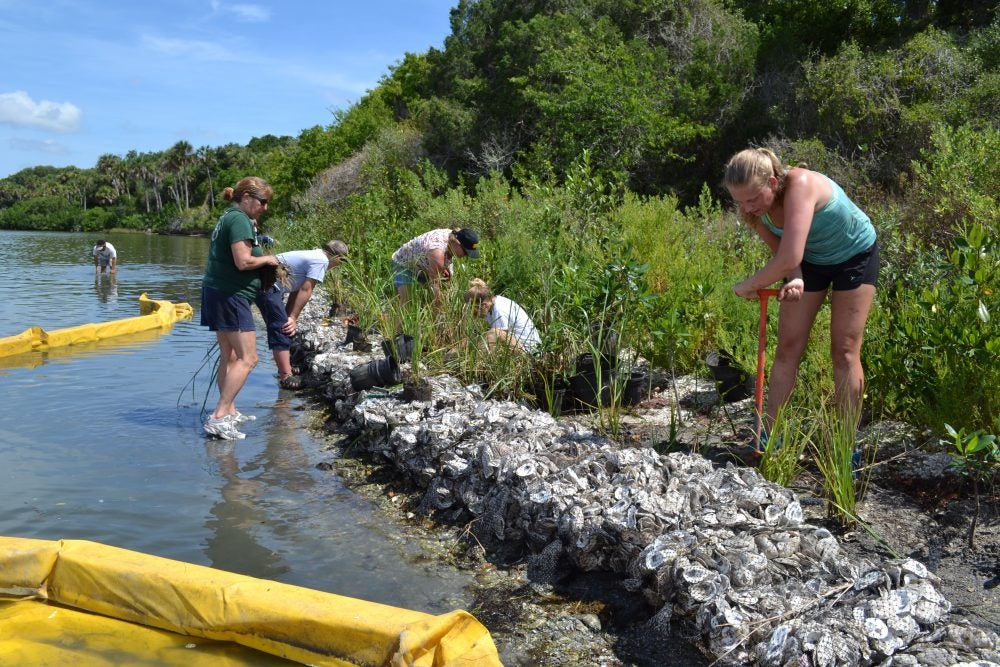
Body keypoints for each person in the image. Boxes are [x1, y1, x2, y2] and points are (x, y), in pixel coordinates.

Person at [724, 147, 878, 442]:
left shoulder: (801, 184)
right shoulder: (754, 212)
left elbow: (789, 254)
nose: (746, 208)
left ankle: (846, 447)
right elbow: (785, 255)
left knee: (844, 350)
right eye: (739, 201)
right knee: (788, 347)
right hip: (811, 260)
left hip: (855, 255)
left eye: (752, 199)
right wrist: (795, 277)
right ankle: (770, 437)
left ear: (771, 183)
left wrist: (750, 285)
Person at [199, 177, 280, 440]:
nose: (265, 207)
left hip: (217, 291)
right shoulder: (238, 219)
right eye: (262, 202)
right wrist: (270, 259)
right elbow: (243, 262)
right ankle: (219, 417)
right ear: (246, 197)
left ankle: (229, 411)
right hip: (230, 294)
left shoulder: (229, 216)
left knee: (230, 356)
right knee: (250, 358)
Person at [256, 240, 349, 389]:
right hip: (267, 285)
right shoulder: (322, 261)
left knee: (282, 325)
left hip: (267, 283)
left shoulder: (315, 255)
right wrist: (292, 318)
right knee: (282, 328)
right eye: (341, 262)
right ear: (337, 258)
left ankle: (284, 369)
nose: (338, 266)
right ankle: (286, 376)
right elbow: (306, 290)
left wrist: (290, 315)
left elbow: (296, 289)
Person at [391, 228, 480, 306]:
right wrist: (440, 306)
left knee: (428, 300)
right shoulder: (437, 250)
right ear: (457, 243)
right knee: (407, 304)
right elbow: (434, 285)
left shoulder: (454, 236)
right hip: (404, 265)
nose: (466, 256)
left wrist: (444, 268)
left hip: (423, 265)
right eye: (465, 252)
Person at [464, 279, 541, 353]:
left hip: (529, 351)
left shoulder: (499, 309)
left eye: (474, 310)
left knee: (494, 333)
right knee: (478, 338)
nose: (473, 313)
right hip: (518, 345)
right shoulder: (491, 306)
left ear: (484, 305)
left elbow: (497, 340)